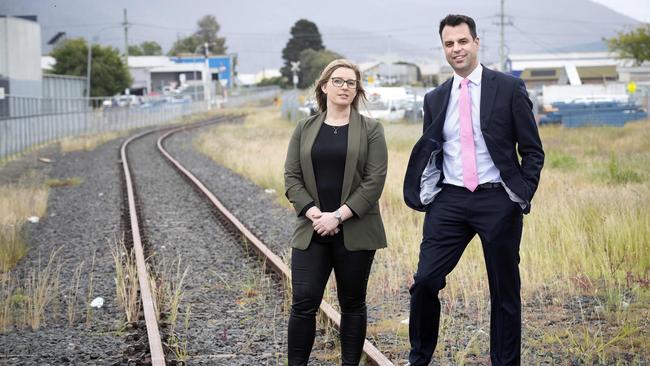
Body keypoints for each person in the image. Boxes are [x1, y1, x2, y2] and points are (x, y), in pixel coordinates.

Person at [402, 14, 545, 366]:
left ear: (476, 42)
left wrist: (521, 193)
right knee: (425, 281)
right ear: (444, 49)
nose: (456, 49)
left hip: (498, 199)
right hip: (449, 201)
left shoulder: (508, 88)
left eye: (462, 41)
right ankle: (418, 358)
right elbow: (432, 147)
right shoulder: (435, 98)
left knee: (504, 291)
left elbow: (532, 150)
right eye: (449, 44)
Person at [284, 59, 388, 366]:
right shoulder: (304, 128)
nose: (345, 87)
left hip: (355, 232)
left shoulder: (371, 129)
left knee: (352, 304)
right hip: (312, 230)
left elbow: (374, 181)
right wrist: (314, 213)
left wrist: (338, 216)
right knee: (304, 302)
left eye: (351, 83)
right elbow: (291, 177)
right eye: (339, 81)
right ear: (325, 86)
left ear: (357, 90)